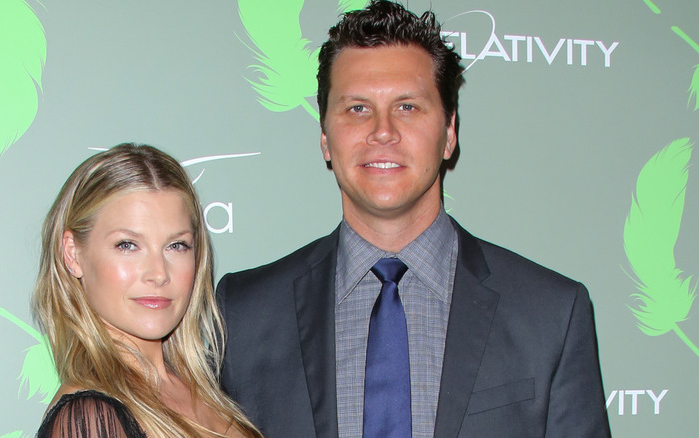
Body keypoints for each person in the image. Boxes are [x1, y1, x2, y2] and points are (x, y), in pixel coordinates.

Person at [217, 1, 610, 437]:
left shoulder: (550, 314)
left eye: (407, 107)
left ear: (449, 133)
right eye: (357, 109)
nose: (382, 131)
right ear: (325, 138)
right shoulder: (244, 314)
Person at [32, 144, 262, 438]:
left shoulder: (203, 390)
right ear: (73, 254)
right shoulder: (90, 419)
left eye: (176, 246)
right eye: (127, 245)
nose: (158, 273)